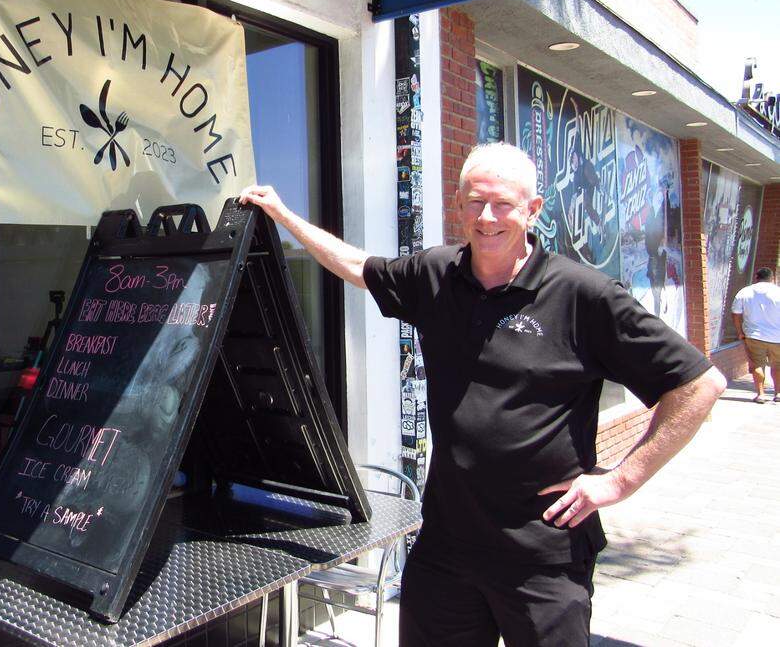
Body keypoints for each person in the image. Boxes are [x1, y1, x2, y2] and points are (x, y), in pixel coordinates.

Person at [240, 142, 726, 647]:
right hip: (445, 549)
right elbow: (358, 267)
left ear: (533, 210)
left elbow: (699, 385)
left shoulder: (584, 296)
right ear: (458, 204)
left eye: (503, 204)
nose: (487, 217)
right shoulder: (436, 275)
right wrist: (281, 214)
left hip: (543, 557)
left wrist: (621, 480)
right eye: (475, 201)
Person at [731, 267, 780, 404]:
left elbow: (735, 313)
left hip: (754, 335)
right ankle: (778, 393)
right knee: (778, 366)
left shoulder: (745, 292)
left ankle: (761, 394)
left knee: (757, 364)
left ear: (756, 277)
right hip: (777, 337)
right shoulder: (778, 291)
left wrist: (740, 332)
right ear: (772, 278)